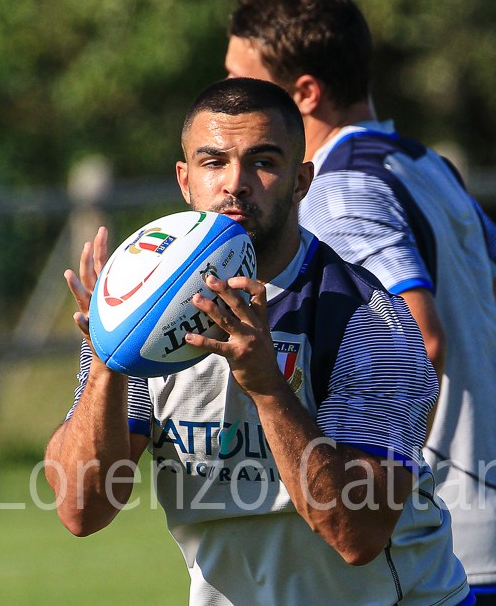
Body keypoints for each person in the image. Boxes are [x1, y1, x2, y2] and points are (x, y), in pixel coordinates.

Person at [224, 0, 496, 604]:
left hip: (449, 550)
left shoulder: (337, 190)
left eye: (242, 80)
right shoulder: (423, 166)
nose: (229, 99)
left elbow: (421, 337)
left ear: (305, 92)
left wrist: (369, 492)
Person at [45, 77, 473, 605]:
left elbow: (356, 532)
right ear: (185, 179)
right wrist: (108, 360)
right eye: (213, 162)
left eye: (263, 162)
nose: (236, 183)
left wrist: (269, 390)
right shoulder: (141, 316)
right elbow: (82, 510)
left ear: (301, 181)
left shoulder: (368, 319)